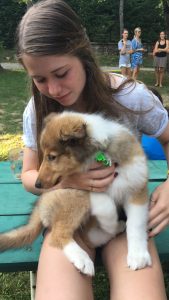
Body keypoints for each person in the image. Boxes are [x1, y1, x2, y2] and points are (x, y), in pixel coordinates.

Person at [17, 1, 169, 299]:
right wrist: (65, 181)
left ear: (83, 54)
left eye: (62, 73)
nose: (54, 89)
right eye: (40, 79)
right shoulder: (37, 109)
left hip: (125, 218)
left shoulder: (131, 97)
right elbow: (30, 175)